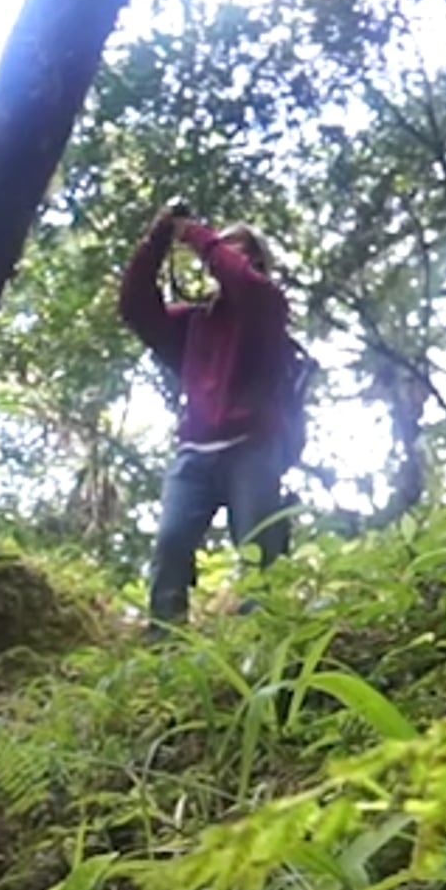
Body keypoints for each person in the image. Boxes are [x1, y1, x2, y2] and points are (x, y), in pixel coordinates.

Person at [118, 205, 295, 627]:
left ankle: (265, 637)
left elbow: (242, 283)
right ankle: (165, 640)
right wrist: (158, 241)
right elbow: (135, 307)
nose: (225, 255)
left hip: (253, 447)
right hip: (195, 452)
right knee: (171, 543)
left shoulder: (266, 305)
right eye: (224, 247)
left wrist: (195, 233)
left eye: (237, 250)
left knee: (259, 553)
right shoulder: (195, 323)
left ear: (255, 262)